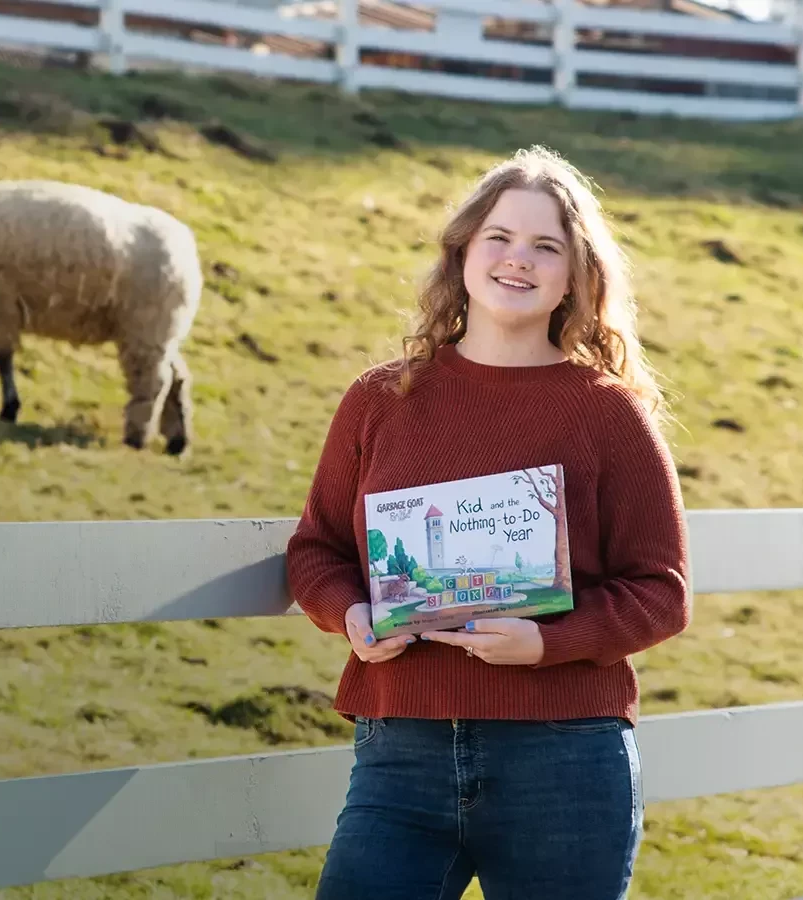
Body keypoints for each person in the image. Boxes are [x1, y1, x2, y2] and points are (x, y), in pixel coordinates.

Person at [285, 145, 692, 900]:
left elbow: (661, 593)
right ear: (463, 251)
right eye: (499, 237)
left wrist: (545, 642)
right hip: (401, 749)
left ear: (576, 277)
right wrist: (350, 616)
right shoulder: (380, 400)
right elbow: (317, 550)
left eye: (546, 247)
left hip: (564, 758)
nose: (518, 259)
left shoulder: (610, 414)